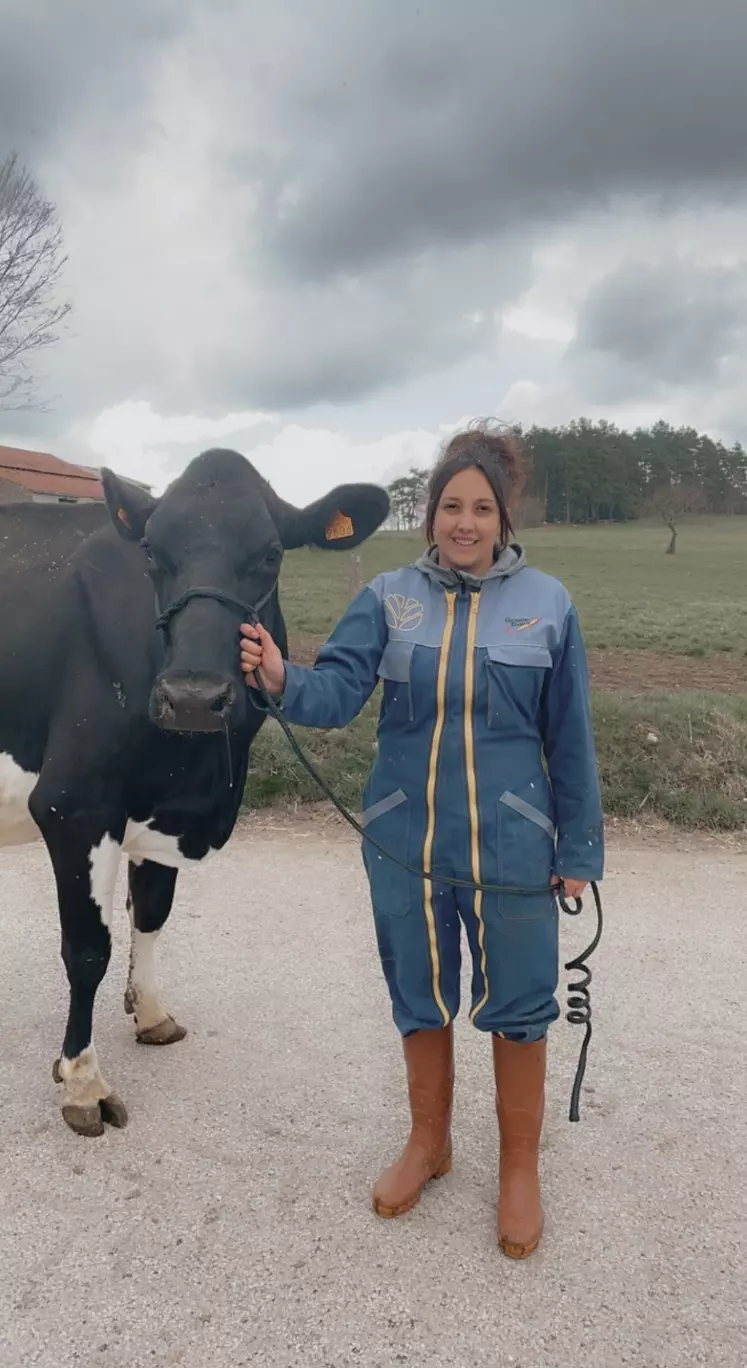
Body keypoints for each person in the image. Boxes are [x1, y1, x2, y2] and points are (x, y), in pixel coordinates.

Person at [239, 421, 604, 1259]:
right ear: (429, 513)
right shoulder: (389, 598)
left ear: (503, 517)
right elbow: (334, 693)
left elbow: (570, 738)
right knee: (419, 992)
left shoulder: (548, 604)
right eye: (449, 506)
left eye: (481, 508)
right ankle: (428, 1144)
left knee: (519, 1006)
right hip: (403, 837)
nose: (463, 523)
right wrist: (277, 675)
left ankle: (518, 1171)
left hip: (513, 848)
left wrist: (577, 851)